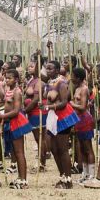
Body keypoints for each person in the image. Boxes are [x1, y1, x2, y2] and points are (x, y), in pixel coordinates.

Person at [42, 59, 79, 189]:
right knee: (53, 148)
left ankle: (68, 180)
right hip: (53, 118)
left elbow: (64, 103)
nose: (48, 70)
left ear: (57, 70)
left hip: (63, 118)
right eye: (47, 68)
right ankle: (62, 175)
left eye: (51, 68)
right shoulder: (49, 82)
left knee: (62, 149)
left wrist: (48, 107)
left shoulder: (62, 83)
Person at [0, 66, 31, 189]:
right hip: (10, 122)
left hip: (16, 121)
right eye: (6, 78)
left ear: (16, 79)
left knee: (19, 152)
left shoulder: (17, 92)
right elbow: (2, 99)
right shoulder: (8, 89)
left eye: (10, 78)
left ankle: (23, 180)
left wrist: (2, 116)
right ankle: (20, 178)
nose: (7, 80)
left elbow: (16, 111)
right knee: (15, 152)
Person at [70, 66, 96, 185]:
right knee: (81, 147)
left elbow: (83, 107)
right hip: (78, 120)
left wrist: (71, 104)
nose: (71, 78)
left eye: (73, 76)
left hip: (84, 119)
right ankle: (85, 173)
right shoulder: (76, 89)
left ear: (79, 78)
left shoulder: (84, 89)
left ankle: (91, 174)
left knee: (87, 147)